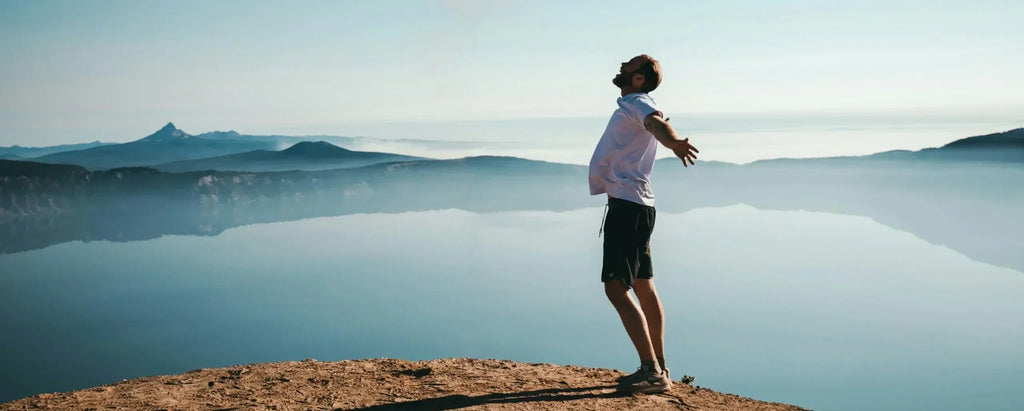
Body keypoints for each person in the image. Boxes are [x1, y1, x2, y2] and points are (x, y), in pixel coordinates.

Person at [588, 54, 698, 394]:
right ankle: (659, 366)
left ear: (638, 79)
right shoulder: (633, 104)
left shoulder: (638, 103)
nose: (621, 66)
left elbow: (656, 124)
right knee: (643, 285)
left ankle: (651, 372)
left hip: (627, 207)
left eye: (629, 66)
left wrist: (674, 142)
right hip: (637, 206)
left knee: (615, 287)